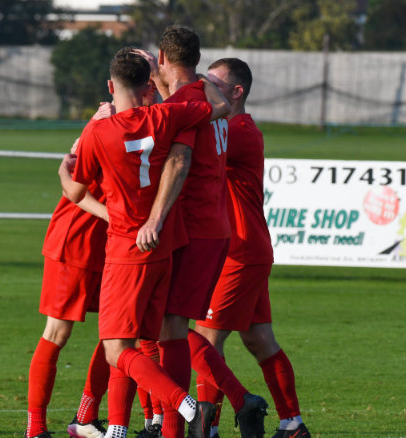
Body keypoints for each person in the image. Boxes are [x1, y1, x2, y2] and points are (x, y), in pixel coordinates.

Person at [60, 47, 230, 438]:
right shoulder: (166, 116)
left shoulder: (100, 132)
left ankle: (184, 404)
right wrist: (201, 81)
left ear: (110, 86)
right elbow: (220, 107)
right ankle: (121, 429)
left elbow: (75, 191)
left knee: (116, 349)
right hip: (163, 245)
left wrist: (62, 170)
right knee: (151, 341)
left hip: (125, 248)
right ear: (147, 83)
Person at [145, 25, 268, 438]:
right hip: (214, 228)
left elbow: (177, 161)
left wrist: (155, 218)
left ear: (164, 58)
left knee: (169, 331)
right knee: (175, 329)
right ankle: (214, 410)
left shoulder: (188, 104)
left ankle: (175, 424)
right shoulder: (209, 103)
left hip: (194, 230)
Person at [195, 58, 312, 438]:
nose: (205, 88)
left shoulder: (238, 130)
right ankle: (292, 424)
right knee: (259, 340)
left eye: (213, 84)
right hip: (247, 248)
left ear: (237, 92)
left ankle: (208, 428)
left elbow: (191, 143)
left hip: (239, 251)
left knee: (204, 339)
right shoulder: (231, 128)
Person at [26, 134, 111, 438]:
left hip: (111, 245)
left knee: (120, 333)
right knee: (57, 332)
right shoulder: (102, 125)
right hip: (75, 241)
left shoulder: (149, 123)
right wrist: (110, 215)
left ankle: (86, 417)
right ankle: (35, 428)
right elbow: (73, 185)